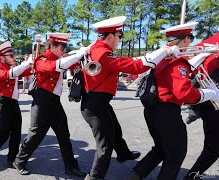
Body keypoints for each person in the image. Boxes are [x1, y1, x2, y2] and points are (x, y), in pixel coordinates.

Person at [81, 16, 179, 180]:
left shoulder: (96, 48)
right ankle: (94, 177)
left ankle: (123, 153)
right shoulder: (102, 52)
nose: (120, 40)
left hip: (98, 101)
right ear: (111, 36)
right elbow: (135, 67)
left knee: (115, 129)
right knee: (105, 146)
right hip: (95, 104)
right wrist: (162, 51)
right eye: (119, 36)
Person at [129, 22, 219, 180]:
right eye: (190, 38)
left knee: (161, 149)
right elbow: (185, 93)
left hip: (153, 110)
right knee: (176, 154)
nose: (191, 42)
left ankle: (136, 174)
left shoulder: (163, 57)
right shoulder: (177, 61)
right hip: (166, 112)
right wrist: (211, 94)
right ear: (184, 39)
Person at [12, 33, 88, 177]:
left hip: (54, 102)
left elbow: (75, 64)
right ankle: (19, 161)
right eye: (62, 46)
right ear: (52, 45)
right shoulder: (42, 59)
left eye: (65, 46)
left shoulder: (61, 59)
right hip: (42, 101)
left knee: (64, 135)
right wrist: (78, 54)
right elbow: (56, 66)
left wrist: (86, 53)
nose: (64, 50)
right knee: (35, 135)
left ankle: (71, 166)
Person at [0, 41, 32, 166]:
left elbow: (29, 71)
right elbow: (7, 75)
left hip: (13, 103)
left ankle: (12, 158)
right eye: (10, 55)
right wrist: (25, 64)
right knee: (3, 132)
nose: (13, 57)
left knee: (16, 132)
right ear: (2, 57)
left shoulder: (11, 68)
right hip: (2, 103)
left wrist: (34, 62)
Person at [184, 52, 219, 180]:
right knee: (213, 148)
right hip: (213, 107)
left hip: (207, 106)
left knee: (212, 145)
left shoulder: (209, 55)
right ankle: (191, 176)